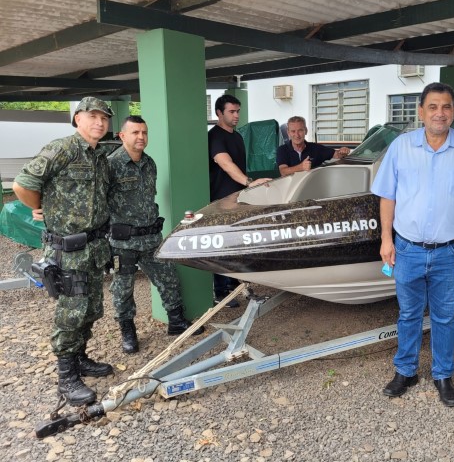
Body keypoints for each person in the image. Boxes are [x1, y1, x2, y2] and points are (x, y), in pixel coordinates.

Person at [371, 82, 454, 406]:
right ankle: (406, 371)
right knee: (408, 313)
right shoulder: (401, 146)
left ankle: (442, 374)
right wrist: (386, 238)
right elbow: (388, 196)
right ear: (421, 111)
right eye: (433, 107)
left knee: (444, 317)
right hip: (408, 248)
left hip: (451, 251)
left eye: (446, 107)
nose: (440, 113)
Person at [13, 97, 115, 406]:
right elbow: (22, 183)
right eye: (93, 116)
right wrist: (38, 207)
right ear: (78, 119)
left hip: (94, 247)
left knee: (91, 308)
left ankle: (81, 358)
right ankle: (66, 378)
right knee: (70, 313)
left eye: (104, 118)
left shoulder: (100, 156)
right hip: (68, 249)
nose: (99, 122)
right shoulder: (62, 148)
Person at [107, 116, 205, 354]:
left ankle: (176, 321)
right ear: (122, 136)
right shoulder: (110, 165)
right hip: (123, 242)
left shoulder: (149, 163)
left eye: (144, 132)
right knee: (123, 289)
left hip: (150, 237)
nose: (141, 137)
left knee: (168, 278)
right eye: (135, 132)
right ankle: (128, 332)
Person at [208, 94, 271, 307]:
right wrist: (248, 182)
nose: (236, 115)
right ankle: (220, 291)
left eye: (238, 111)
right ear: (219, 113)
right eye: (231, 112)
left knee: (236, 243)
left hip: (237, 200)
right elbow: (224, 163)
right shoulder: (214, 136)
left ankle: (236, 287)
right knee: (221, 246)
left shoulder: (237, 136)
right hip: (220, 200)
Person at [276, 116, 350, 176]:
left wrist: (343, 151)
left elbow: (337, 155)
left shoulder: (316, 148)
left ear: (306, 131)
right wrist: (301, 167)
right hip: (292, 190)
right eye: (293, 131)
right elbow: (283, 171)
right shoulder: (282, 150)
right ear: (288, 133)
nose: (297, 135)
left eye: (300, 130)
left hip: (313, 189)